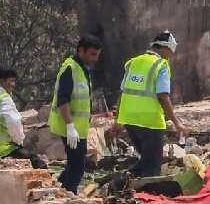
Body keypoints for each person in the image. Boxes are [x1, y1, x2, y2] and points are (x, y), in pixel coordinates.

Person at [113, 31, 188, 177]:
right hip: (150, 122)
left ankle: (124, 183)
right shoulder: (161, 65)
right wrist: (177, 122)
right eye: (170, 52)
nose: (169, 56)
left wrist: (117, 120)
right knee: (152, 166)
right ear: (165, 48)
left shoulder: (133, 62)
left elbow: (123, 92)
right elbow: (163, 96)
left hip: (129, 121)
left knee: (147, 160)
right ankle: (127, 184)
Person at [48, 36, 102, 192]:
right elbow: (62, 100)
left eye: (97, 55)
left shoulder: (83, 68)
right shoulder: (70, 68)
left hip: (78, 128)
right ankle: (67, 198)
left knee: (74, 165)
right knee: (78, 168)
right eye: (92, 54)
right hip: (70, 127)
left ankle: (56, 192)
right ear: (81, 51)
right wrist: (70, 126)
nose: (95, 58)